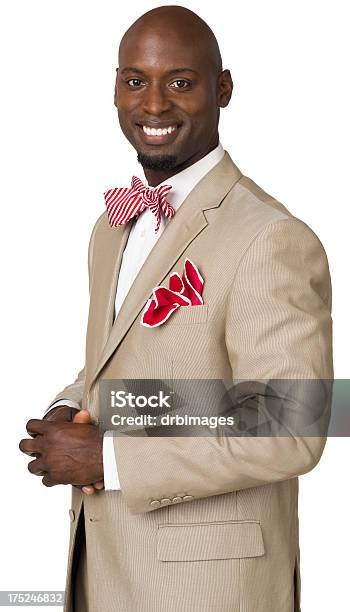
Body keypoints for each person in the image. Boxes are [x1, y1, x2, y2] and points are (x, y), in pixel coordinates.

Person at [19, 5, 333, 611]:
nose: (154, 104)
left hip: (209, 590)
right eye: (135, 80)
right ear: (115, 88)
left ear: (223, 89)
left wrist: (108, 455)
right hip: (108, 571)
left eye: (180, 82)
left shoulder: (271, 237)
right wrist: (71, 406)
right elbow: (120, 370)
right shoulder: (114, 226)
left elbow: (296, 420)